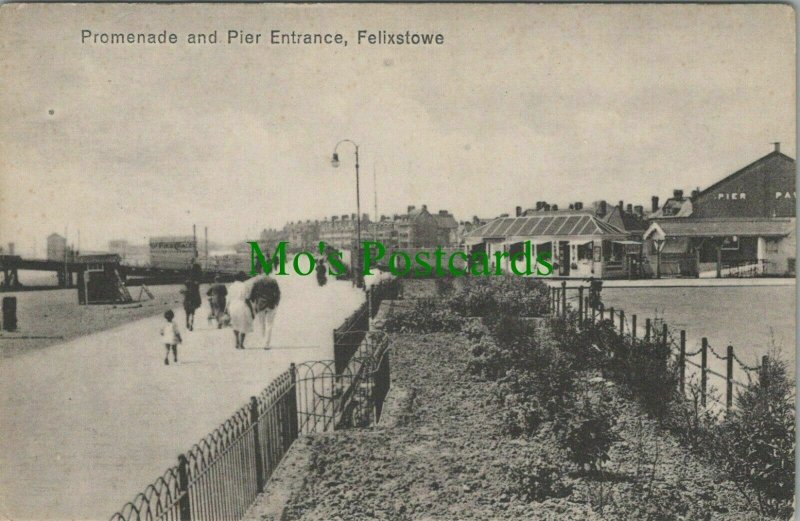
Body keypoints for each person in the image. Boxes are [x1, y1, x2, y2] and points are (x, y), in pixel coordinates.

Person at [243, 274, 281, 349]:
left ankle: (262, 342)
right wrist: (276, 303)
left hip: (260, 305)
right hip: (271, 304)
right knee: (269, 324)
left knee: (261, 324)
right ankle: (266, 344)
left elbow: (251, 295)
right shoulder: (273, 281)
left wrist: (254, 302)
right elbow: (278, 293)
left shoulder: (257, 281)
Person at [226, 272, 253, 349]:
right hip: (241, 305)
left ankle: (237, 341)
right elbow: (247, 299)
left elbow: (228, 299)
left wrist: (226, 309)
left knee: (235, 324)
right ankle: (241, 344)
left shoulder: (231, 286)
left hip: (232, 306)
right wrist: (251, 309)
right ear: (242, 278)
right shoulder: (244, 286)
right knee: (244, 324)